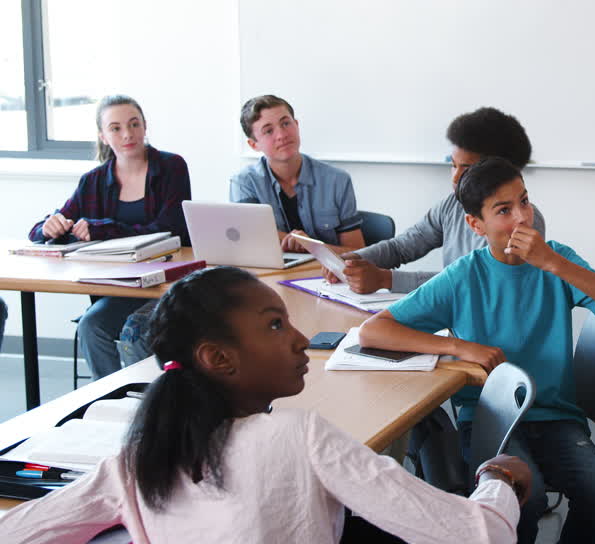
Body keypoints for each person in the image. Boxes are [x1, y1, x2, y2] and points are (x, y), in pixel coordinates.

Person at [0, 266, 532, 544]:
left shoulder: (135, 461)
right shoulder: (300, 436)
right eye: (276, 325)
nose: (301, 340)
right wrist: (501, 480)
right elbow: (476, 535)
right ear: (218, 358)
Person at [359, 157, 595, 544]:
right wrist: (459, 346)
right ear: (476, 225)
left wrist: (553, 263)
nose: (522, 217)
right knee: (525, 499)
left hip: (556, 417)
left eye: (524, 201)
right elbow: (373, 331)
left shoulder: (557, 259)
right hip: (489, 418)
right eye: (504, 210)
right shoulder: (463, 276)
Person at [27, 95, 191, 379]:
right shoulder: (93, 181)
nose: (127, 134)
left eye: (134, 124)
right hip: (120, 289)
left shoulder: (171, 167)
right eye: (116, 128)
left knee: (134, 330)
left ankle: (152, 401)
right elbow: (40, 231)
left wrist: (104, 228)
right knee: (91, 326)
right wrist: (49, 227)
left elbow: (170, 229)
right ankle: (110, 397)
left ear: (145, 126)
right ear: (103, 136)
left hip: (165, 287)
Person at [330, 107, 545, 294]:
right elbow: (402, 247)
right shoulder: (451, 205)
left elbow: (474, 282)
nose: (455, 177)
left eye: (466, 169)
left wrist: (386, 280)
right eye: (453, 165)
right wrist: (352, 259)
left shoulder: (520, 220)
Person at [230, 94, 365, 252]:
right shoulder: (244, 183)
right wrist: (300, 243)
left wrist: (310, 246)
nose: (282, 135)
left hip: (324, 268)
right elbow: (250, 238)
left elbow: (356, 252)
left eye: (286, 123)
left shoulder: (337, 180)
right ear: (254, 145)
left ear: (297, 124)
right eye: (268, 131)